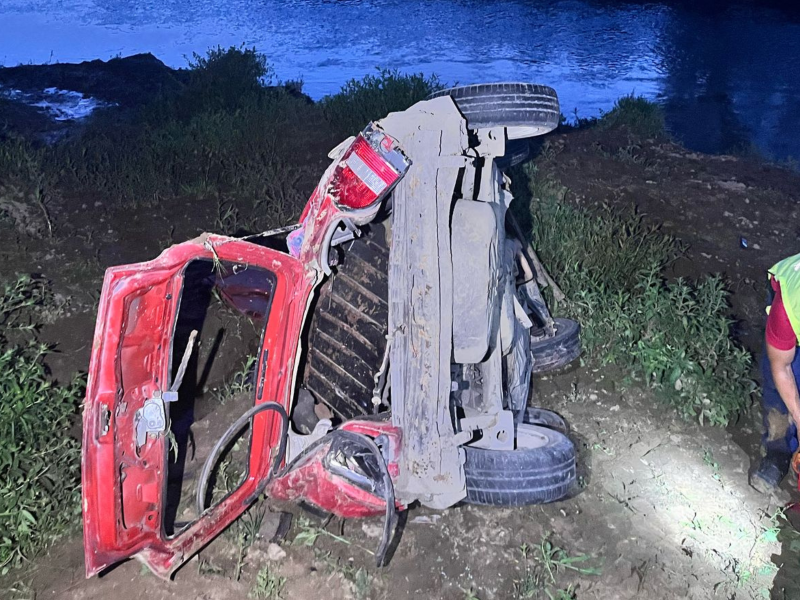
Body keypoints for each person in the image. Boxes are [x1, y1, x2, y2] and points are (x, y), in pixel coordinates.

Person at [750, 252, 800, 493]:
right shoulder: (790, 306)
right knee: (782, 391)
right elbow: (781, 368)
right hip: (788, 298)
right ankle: (778, 451)